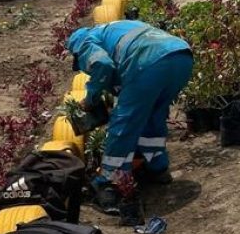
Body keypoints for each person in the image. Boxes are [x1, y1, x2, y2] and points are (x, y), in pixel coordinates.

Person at [66, 21, 193, 213]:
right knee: (153, 115)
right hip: (181, 57)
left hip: (148, 63)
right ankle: (157, 168)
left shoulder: (83, 40)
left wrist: (91, 99)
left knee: (123, 123)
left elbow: (101, 64)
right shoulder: (116, 27)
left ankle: (110, 183)